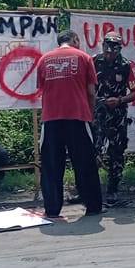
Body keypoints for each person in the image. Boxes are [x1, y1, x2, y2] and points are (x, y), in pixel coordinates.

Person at [37, 30, 104, 219]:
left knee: (51, 166)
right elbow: (91, 92)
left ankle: (52, 209)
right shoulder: (84, 58)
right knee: (85, 163)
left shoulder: (44, 60)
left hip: (51, 119)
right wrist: (90, 115)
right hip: (78, 117)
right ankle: (93, 206)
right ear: (74, 40)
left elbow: (42, 89)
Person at [92, 32, 135, 205]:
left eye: (113, 51)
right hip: (96, 113)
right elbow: (84, 86)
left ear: (119, 49)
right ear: (103, 46)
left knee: (116, 152)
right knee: (91, 151)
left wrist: (120, 100)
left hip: (117, 114)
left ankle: (113, 190)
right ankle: (87, 190)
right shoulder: (93, 61)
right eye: (107, 50)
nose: (109, 54)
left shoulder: (127, 65)